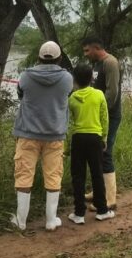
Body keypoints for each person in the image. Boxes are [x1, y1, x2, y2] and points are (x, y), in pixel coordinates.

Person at [10, 41, 71, 232]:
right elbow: (67, 96)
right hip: (55, 134)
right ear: (59, 58)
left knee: (24, 175)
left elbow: (21, 94)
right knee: (53, 176)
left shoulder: (26, 76)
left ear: (38, 57)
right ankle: (51, 220)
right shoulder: (67, 78)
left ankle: (21, 221)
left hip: (28, 133)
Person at [67, 64, 114, 225]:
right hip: (95, 138)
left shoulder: (72, 98)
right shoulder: (99, 95)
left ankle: (79, 213)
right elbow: (104, 118)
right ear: (92, 78)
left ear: (75, 79)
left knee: (78, 176)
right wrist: (104, 138)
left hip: (78, 138)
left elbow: (71, 121)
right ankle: (102, 210)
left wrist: (68, 144)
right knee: (97, 173)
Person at [82, 36, 122, 214]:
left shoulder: (110, 63)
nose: (85, 54)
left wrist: (99, 110)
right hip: (96, 116)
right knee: (96, 153)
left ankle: (109, 199)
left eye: (87, 50)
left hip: (109, 116)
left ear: (96, 47)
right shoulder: (96, 64)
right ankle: (99, 190)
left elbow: (112, 93)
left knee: (105, 153)